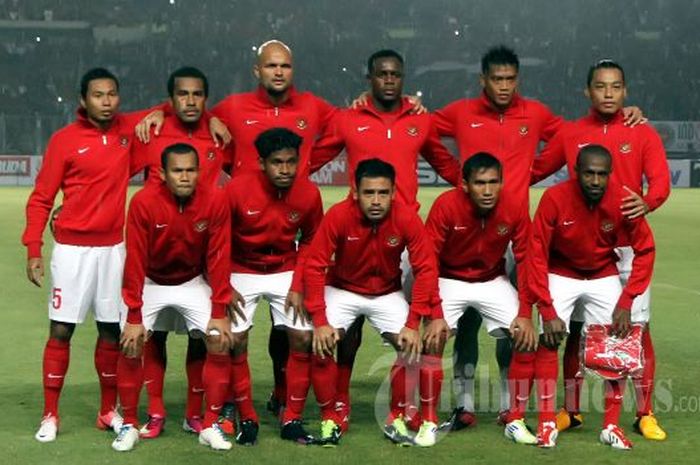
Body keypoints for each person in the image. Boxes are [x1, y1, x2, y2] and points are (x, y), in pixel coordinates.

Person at [433, 46, 645, 428]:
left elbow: (573, 136)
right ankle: (462, 404)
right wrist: (456, 175)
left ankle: (505, 404)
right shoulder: (460, 112)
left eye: (510, 79)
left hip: (515, 234)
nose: (503, 86)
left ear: (518, 80)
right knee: (463, 325)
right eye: (496, 79)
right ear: (483, 80)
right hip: (466, 235)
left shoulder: (536, 114)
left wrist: (626, 116)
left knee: (517, 327)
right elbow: (421, 132)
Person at [309, 49, 462, 431]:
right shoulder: (348, 119)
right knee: (348, 332)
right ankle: (339, 403)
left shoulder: (420, 121)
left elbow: (443, 162)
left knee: (414, 330)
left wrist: (476, 190)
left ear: (403, 77)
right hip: (355, 233)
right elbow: (314, 158)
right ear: (370, 78)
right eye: (382, 74)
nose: (389, 80)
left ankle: (408, 408)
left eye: (395, 74)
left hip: (404, 236)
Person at [531, 59, 670, 441]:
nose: (608, 94)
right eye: (600, 87)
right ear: (588, 91)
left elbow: (659, 182)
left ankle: (644, 413)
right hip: (578, 250)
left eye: (615, 87)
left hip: (625, 247)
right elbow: (534, 170)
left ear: (625, 91)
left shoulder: (641, 132)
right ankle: (571, 411)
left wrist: (648, 203)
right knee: (574, 332)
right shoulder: (571, 132)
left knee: (635, 333)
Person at [23, 68, 149, 443]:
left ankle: (106, 411)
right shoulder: (64, 141)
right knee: (61, 330)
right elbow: (42, 197)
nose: (107, 101)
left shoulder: (128, 131)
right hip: (73, 252)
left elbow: (171, 109)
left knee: (111, 331)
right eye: (98, 95)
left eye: (112, 94)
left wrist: (159, 114)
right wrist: (34, 247)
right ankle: (50, 415)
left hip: (114, 249)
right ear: (83, 100)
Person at [524, 144, 655, 449]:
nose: (595, 181)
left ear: (609, 174)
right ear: (576, 172)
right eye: (589, 174)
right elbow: (536, 254)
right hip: (561, 272)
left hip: (601, 273)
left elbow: (646, 250)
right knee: (549, 337)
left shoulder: (623, 200)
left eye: (601, 175)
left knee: (618, 342)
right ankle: (546, 423)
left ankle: (610, 426)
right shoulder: (554, 198)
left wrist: (627, 301)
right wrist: (546, 307)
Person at [304, 158, 437, 446]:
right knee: (321, 343)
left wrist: (414, 323)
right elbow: (314, 265)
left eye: (383, 193)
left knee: (412, 346)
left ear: (393, 193)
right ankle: (331, 416)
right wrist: (320, 321)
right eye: (368, 193)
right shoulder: (339, 216)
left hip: (386, 293)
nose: (376, 201)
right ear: (355, 192)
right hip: (343, 290)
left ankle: (396, 417)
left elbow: (426, 267)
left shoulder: (406, 218)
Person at [129, 66, 231, 439]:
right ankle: (154, 411)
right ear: (171, 99)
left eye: (197, 95)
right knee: (150, 337)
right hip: (153, 260)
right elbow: (107, 165)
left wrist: (215, 120)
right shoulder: (150, 131)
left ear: (207, 99)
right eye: (181, 95)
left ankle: (194, 413)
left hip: (196, 264)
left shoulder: (221, 134)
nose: (190, 100)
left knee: (201, 337)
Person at [113, 143, 234, 452]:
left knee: (219, 339)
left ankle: (208, 423)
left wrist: (219, 309)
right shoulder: (142, 203)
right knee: (131, 342)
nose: (184, 177)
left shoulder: (215, 200)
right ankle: (129, 424)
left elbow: (219, 256)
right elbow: (135, 261)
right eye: (177, 171)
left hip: (190, 281)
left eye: (190, 170)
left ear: (200, 172)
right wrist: (134, 316)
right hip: (150, 281)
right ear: (163, 174)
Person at [223, 127, 331, 446]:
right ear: (261, 163)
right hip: (241, 268)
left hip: (286, 267)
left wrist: (299, 284)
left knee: (302, 337)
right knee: (236, 341)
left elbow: (312, 241)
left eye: (290, 162)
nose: (285, 169)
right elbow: (218, 240)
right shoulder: (237, 190)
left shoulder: (309, 193)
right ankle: (247, 416)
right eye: (277, 162)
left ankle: (291, 417)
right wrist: (224, 285)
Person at [423, 152, 537, 447]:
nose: (487, 191)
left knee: (522, 335)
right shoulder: (446, 206)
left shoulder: (513, 207)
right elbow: (428, 260)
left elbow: (526, 260)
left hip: (491, 279)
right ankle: (431, 419)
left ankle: (514, 417)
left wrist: (525, 312)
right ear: (465, 184)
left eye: (494, 183)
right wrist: (434, 312)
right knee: (433, 340)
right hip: (449, 278)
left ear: (502, 182)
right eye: (480, 183)